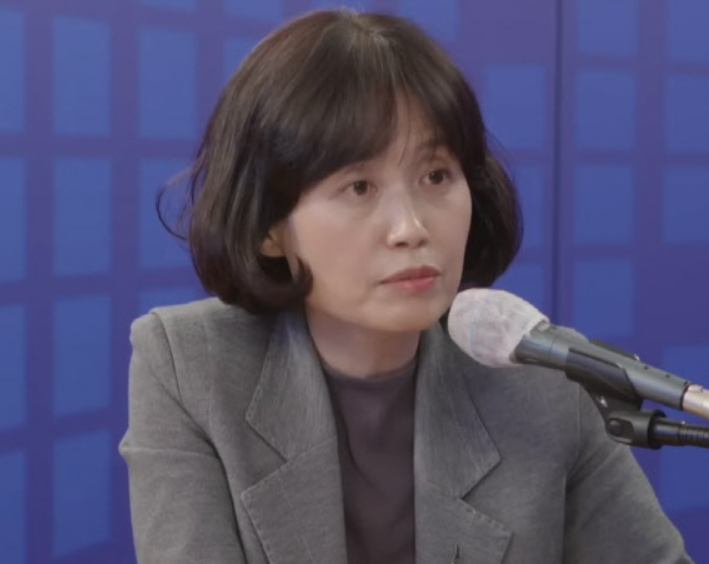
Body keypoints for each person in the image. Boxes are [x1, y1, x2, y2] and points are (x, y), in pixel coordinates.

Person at [118, 8, 693, 564]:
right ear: (270, 226)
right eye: (360, 188)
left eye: (436, 175)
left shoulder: (544, 383)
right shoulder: (191, 369)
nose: (411, 228)